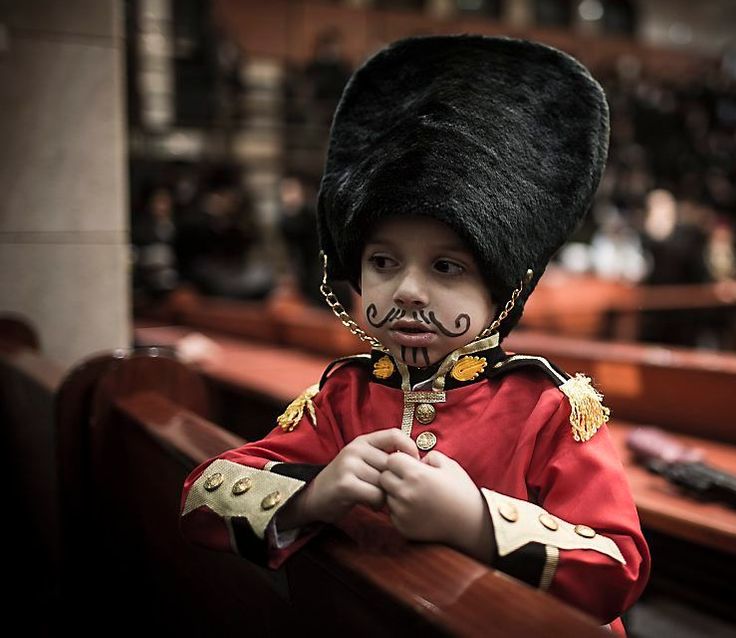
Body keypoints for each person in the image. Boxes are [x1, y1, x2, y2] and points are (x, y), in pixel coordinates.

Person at [179, 35, 651, 634]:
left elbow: (620, 566)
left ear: (503, 292)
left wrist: (476, 523)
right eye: (383, 263)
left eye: (446, 267)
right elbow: (200, 498)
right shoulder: (343, 397)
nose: (406, 291)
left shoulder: (548, 409)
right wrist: (313, 494)